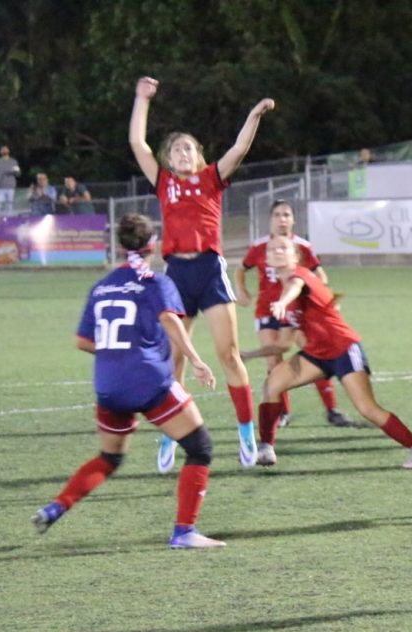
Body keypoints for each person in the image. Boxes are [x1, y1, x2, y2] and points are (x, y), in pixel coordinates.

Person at [31, 213, 224, 549]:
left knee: (110, 458)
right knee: (200, 447)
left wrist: (117, 352)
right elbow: (170, 320)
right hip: (148, 380)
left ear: (120, 246)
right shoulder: (156, 282)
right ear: (153, 245)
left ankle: (55, 508)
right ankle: (184, 532)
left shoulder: (102, 285)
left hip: (109, 385)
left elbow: (83, 341)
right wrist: (196, 360)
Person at [129, 75, 273, 473]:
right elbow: (138, 143)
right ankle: (171, 434)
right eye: (176, 148)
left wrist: (253, 116)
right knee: (173, 359)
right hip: (176, 274)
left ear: (198, 156)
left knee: (228, 353)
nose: (182, 152)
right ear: (169, 158)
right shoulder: (164, 183)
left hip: (209, 271)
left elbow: (240, 148)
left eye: (188, 147)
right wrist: (142, 99)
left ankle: (246, 431)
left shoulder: (212, 178)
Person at [242, 234, 412, 469]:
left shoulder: (300, 276)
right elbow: (283, 344)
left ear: (296, 256)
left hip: (344, 348)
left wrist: (283, 303)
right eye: (272, 249)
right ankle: (266, 448)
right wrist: (248, 355)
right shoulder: (278, 293)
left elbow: (295, 286)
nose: (276, 251)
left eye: (283, 247)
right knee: (272, 384)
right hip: (317, 354)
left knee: (367, 408)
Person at [237, 199, 354, 429]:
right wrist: (241, 289)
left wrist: (322, 299)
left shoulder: (302, 246)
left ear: (293, 220)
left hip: (297, 311)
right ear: (271, 219)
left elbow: (320, 275)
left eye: (286, 215)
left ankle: (332, 410)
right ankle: (283, 412)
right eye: (277, 215)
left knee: (314, 353)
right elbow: (242, 268)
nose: (282, 219)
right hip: (267, 310)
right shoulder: (260, 246)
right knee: (274, 360)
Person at [0, 145, 20, 215]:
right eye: (3, 150)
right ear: (0, 152)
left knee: (10, 206)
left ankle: (10, 219)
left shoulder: (13, 161)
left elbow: (18, 173)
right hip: (0, 187)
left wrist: (12, 172)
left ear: (8, 151)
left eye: (6, 149)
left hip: (11, 187)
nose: (4, 151)